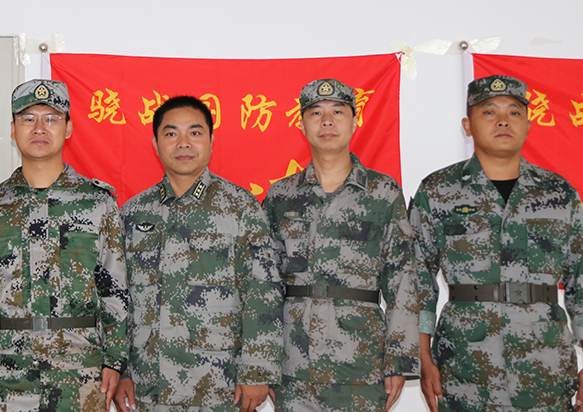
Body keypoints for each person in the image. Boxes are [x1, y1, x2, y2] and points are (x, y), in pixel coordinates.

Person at [411, 74, 583, 412]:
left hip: (545, 369)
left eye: (514, 112)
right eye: (489, 111)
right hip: (464, 369)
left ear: (528, 124)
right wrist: (423, 357)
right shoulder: (438, 190)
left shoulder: (559, 193)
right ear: (467, 125)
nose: (503, 120)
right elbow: (416, 281)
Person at [0, 79, 129, 412]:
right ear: (13, 129)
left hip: (82, 374)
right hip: (8, 374)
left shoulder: (97, 203)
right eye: (28, 119)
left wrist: (115, 360)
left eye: (51, 118)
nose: (39, 128)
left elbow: (115, 288)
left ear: (68, 128)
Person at [113, 96, 282, 412]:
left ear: (211, 141)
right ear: (155, 143)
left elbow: (263, 291)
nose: (183, 143)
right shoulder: (133, 213)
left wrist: (257, 369)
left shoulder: (240, 207)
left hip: (220, 385)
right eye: (171, 133)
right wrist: (120, 369)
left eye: (194, 132)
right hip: (150, 384)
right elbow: (118, 297)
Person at [262, 79, 420, 412]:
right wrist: (264, 361)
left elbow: (403, 278)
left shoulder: (382, 192)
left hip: (360, 361)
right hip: (293, 362)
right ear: (301, 124)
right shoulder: (281, 195)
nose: (327, 121)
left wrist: (399, 358)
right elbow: (263, 283)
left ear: (354, 121)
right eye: (315, 113)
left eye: (338, 112)